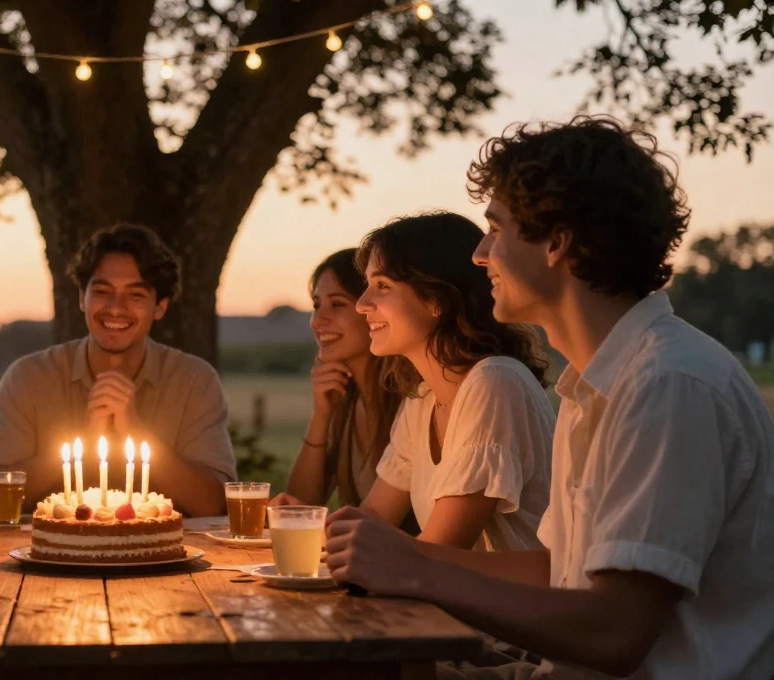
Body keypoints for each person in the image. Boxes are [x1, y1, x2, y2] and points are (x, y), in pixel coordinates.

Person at [324, 118, 774, 680]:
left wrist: (416, 571)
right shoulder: (594, 387)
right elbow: (559, 570)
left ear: (558, 242)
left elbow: (614, 632)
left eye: (495, 230)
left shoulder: (669, 383)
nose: (480, 254)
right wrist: (396, 555)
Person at [0, 223, 235, 516]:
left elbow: (215, 505)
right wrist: (82, 436)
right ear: (82, 298)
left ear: (159, 307)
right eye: (102, 291)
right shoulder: (30, 377)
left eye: (135, 295)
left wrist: (134, 427)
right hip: (46, 559)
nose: (116, 307)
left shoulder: (194, 380)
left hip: (166, 560)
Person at [352, 212, 555, 552]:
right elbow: (372, 516)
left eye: (382, 286)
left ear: (438, 300)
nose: (362, 305)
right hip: (457, 603)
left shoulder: (495, 383)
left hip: (508, 605)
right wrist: (307, 524)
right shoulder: (425, 398)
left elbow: (440, 554)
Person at [271, 250, 414, 531]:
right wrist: (321, 416)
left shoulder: (411, 402)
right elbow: (302, 505)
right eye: (316, 305)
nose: (318, 320)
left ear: (371, 310)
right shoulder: (346, 402)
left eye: (337, 305)